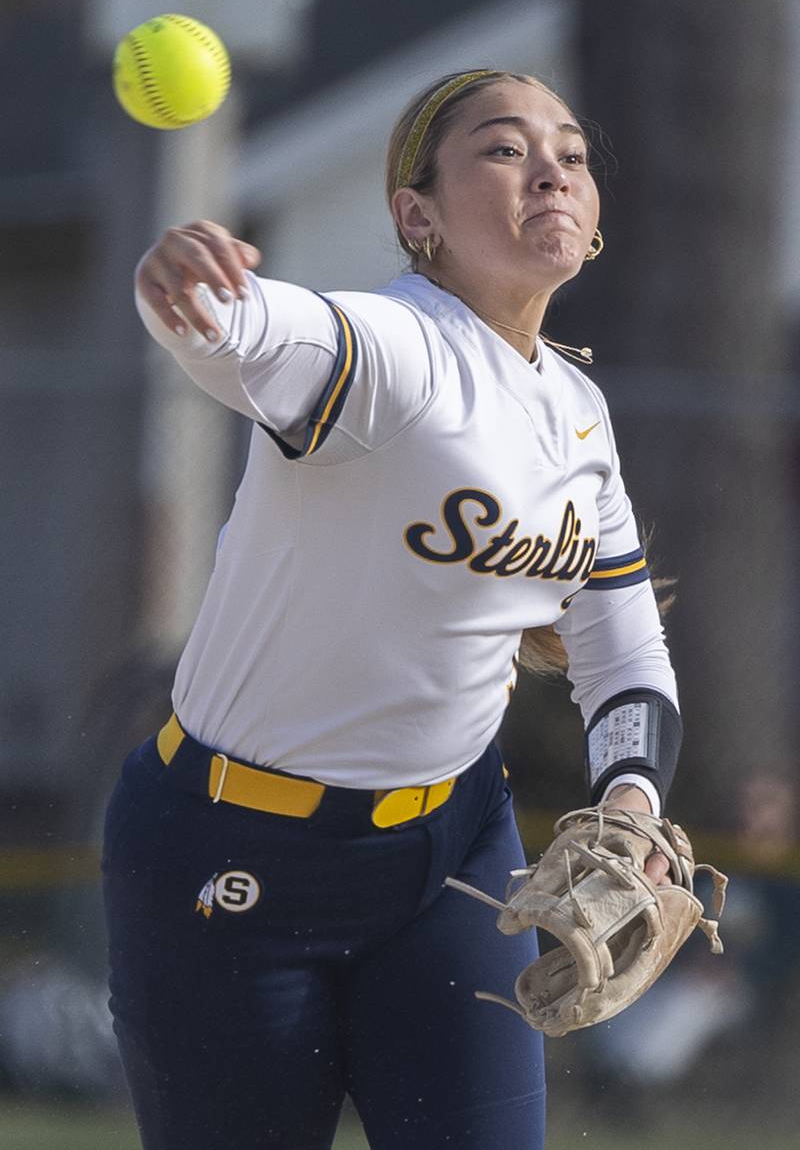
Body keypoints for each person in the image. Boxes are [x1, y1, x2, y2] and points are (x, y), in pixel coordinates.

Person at [103, 69, 681, 1150]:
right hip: (232, 851)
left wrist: (634, 801)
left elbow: (622, 645)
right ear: (417, 216)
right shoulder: (390, 351)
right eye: (504, 149)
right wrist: (186, 290)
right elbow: (259, 334)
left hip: (451, 855)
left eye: (569, 148)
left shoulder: (575, 409)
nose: (551, 165)